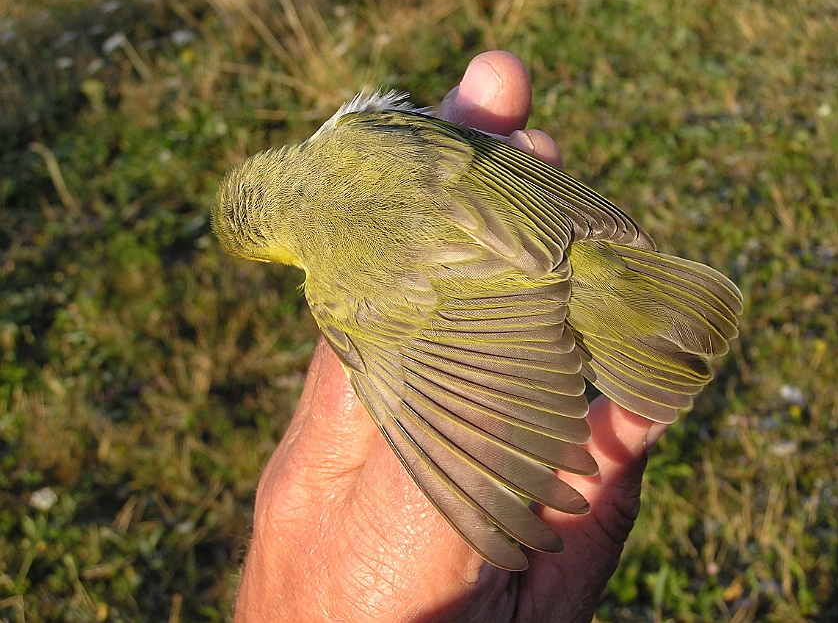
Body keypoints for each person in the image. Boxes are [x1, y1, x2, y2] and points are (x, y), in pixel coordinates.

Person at [233, 50, 668, 623]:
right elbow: (485, 158)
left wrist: (465, 459)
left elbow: (430, 389)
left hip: (554, 300)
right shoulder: (356, 134)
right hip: (540, 222)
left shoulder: (335, 292)